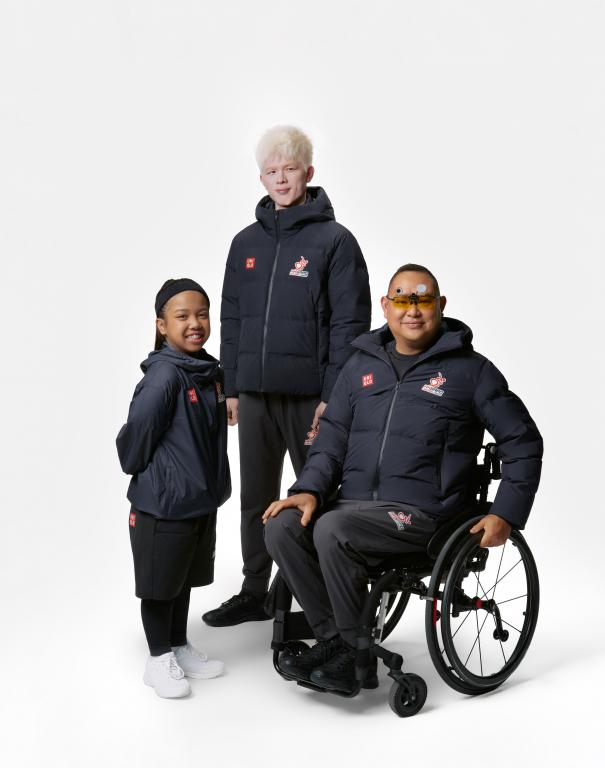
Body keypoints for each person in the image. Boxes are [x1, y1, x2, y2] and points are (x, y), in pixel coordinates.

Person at [262, 264, 543, 693]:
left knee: (334, 529)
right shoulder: (359, 366)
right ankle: (338, 641)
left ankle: (352, 656)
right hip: (353, 506)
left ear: (440, 305)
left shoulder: (471, 372)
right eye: (402, 300)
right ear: (385, 306)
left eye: (423, 299)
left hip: (424, 515)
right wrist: (308, 490)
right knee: (281, 525)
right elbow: (331, 439)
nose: (412, 310)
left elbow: (523, 441)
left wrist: (505, 513)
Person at [202, 126, 371, 627]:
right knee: (254, 498)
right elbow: (232, 318)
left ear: (308, 172)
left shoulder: (335, 241)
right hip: (254, 396)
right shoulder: (244, 243)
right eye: (271, 171)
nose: (280, 179)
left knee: (318, 496)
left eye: (290, 169)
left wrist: (333, 395)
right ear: (261, 178)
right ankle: (255, 590)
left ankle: (328, 600)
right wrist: (232, 386)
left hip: (310, 398)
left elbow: (350, 324)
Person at [116, 278, 232, 698]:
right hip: (164, 504)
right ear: (162, 325)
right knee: (160, 585)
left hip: (198, 501)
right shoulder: (165, 377)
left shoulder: (208, 373)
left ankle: (178, 646)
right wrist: (161, 475)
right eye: (182, 316)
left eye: (202, 314)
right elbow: (133, 444)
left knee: (182, 579)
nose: (195, 323)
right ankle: (157, 658)